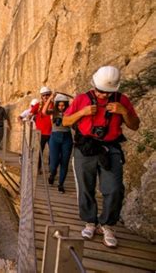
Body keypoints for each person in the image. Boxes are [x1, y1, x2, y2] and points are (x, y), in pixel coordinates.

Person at [63, 66, 140, 248]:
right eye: (100, 91)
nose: (103, 95)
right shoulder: (82, 99)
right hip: (85, 148)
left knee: (114, 188)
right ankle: (90, 222)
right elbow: (65, 121)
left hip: (109, 148)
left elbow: (135, 125)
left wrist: (124, 112)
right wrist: (82, 112)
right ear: (94, 85)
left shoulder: (122, 101)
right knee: (85, 187)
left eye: (107, 92)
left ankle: (107, 224)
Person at [42, 93, 73, 193]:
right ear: (56, 105)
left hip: (66, 138)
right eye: (59, 105)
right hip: (54, 137)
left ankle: (61, 184)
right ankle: (52, 174)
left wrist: (65, 94)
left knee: (64, 162)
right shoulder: (53, 112)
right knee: (53, 163)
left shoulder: (70, 112)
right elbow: (44, 111)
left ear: (66, 104)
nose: (61, 107)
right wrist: (51, 98)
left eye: (63, 105)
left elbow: (77, 100)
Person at [31, 87, 53, 174]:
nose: (46, 97)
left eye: (48, 95)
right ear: (41, 96)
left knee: (52, 152)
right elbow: (31, 113)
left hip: (51, 132)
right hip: (40, 133)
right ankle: (38, 168)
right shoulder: (38, 105)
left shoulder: (53, 104)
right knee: (39, 152)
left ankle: (51, 169)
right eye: (44, 95)